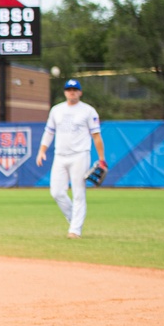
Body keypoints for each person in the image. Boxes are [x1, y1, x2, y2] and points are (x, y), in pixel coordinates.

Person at [35, 79, 107, 239]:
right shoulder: (56, 110)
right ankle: (74, 219)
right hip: (60, 155)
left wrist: (102, 159)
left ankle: (75, 230)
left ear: (80, 92)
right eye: (69, 89)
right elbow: (49, 132)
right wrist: (42, 151)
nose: (72, 92)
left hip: (80, 155)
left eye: (75, 89)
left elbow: (96, 136)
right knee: (56, 192)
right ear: (65, 92)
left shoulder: (88, 111)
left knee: (79, 193)